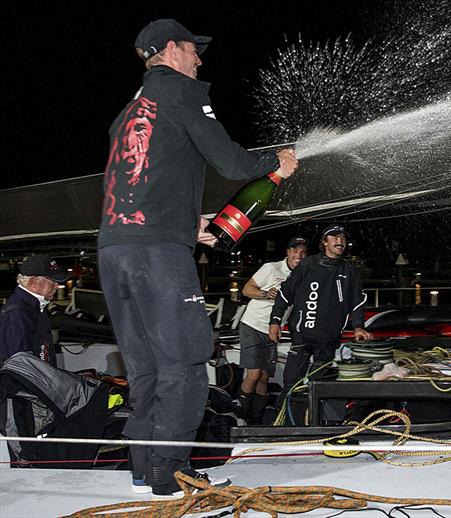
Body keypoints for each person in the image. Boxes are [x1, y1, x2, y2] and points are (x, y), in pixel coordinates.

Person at [97, 19, 298, 497]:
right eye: (193, 50)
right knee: (186, 364)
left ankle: (145, 470)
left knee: (144, 366)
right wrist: (276, 162)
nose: (199, 60)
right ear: (170, 49)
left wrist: (188, 223)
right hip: (157, 257)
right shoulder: (181, 92)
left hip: (115, 249)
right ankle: (173, 474)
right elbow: (231, 163)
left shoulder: (126, 113)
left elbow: (135, 178)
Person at [268, 224, 372, 419]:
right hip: (302, 336)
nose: (339, 241)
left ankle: (314, 423)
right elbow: (285, 293)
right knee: (291, 381)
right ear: (324, 242)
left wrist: (358, 326)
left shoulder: (350, 271)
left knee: (319, 386)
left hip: (328, 338)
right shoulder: (308, 264)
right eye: (334, 237)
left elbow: (357, 301)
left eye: (342, 237)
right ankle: (279, 422)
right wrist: (274, 321)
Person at [237, 237, 308, 424]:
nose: (298, 255)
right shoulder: (271, 268)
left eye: (302, 252)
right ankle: (240, 416)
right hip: (252, 324)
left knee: (265, 376)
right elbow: (246, 289)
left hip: (273, 330)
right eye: (294, 251)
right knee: (254, 373)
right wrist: (265, 294)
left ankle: (257, 418)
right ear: (288, 252)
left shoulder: (305, 275)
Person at [0, 256, 70, 366]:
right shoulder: (18, 315)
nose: (57, 286)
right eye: (52, 282)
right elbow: (19, 368)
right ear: (33, 282)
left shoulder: (35, 309)